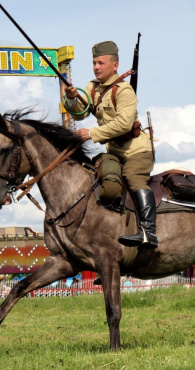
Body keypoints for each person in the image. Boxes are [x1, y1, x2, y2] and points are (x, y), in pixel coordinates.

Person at [64, 41, 158, 250]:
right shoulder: (92, 88)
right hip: (114, 152)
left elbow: (124, 124)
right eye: (94, 63)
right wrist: (71, 99)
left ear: (115, 66)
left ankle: (148, 232)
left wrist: (92, 133)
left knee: (133, 179)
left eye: (101, 63)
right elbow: (80, 113)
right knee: (103, 182)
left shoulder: (124, 91)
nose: (96, 67)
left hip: (136, 151)